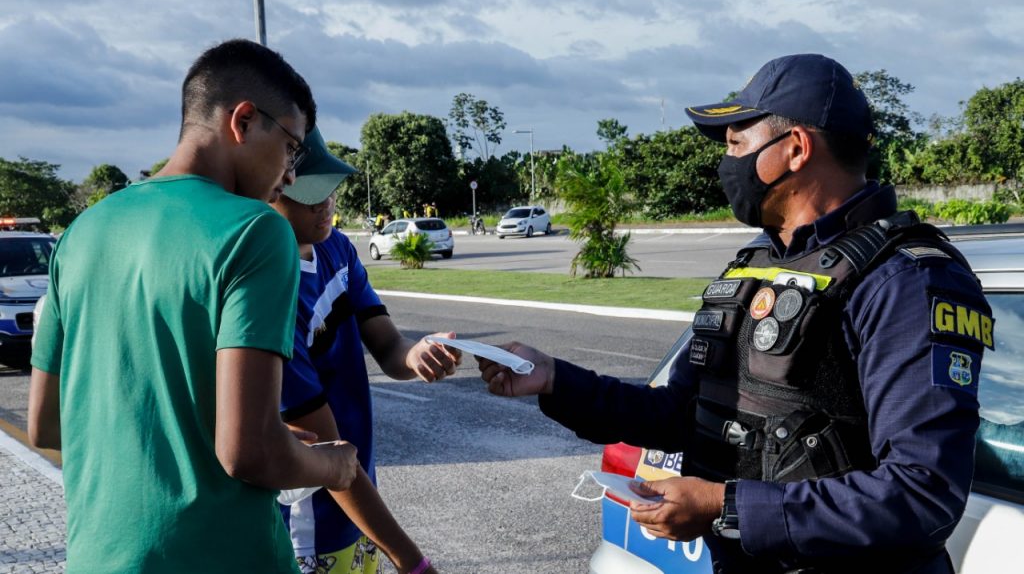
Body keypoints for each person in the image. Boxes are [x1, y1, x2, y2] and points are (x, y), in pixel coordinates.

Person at [477, 54, 993, 573]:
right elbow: (683, 412)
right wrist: (552, 380)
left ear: (795, 149)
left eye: (736, 143)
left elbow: (922, 494)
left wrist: (726, 507)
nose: (727, 163)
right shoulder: (760, 263)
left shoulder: (907, 280)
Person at [28, 39, 359, 574]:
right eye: (293, 149)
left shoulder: (82, 233)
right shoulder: (256, 232)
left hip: (97, 557)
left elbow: (46, 424)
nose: (292, 174)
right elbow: (248, 451)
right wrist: (331, 464)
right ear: (244, 121)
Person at [271, 127, 460, 574]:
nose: (326, 204)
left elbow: (389, 345)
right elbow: (324, 446)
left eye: (331, 190)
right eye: (310, 195)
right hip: (307, 527)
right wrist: (411, 562)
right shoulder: (271, 292)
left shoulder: (337, 248)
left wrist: (417, 356)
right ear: (273, 190)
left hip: (359, 508)